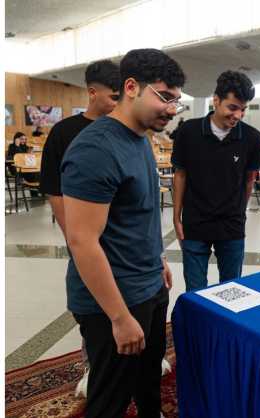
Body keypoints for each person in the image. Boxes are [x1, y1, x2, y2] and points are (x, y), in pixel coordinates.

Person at [61, 48, 184, 418]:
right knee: (110, 397)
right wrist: (118, 318)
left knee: (148, 378)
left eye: (176, 101)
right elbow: (82, 240)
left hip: (147, 285)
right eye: (164, 97)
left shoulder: (141, 138)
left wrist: (157, 258)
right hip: (112, 300)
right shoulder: (95, 149)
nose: (170, 109)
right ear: (131, 87)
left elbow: (138, 213)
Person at [39, 59, 120, 398]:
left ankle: (130, 361)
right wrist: (74, 235)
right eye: (114, 96)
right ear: (92, 93)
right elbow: (54, 189)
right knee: (91, 302)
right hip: (86, 237)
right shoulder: (65, 132)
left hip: (122, 238)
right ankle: (92, 364)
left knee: (125, 299)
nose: (119, 103)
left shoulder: (124, 130)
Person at [171, 70, 260, 292]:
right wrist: (176, 217)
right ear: (216, 100)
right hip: (195, 223)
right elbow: (180, 175)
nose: (238, 115)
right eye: (232, 107)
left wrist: (239, 213)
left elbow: (249, 181)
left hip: (231, 226)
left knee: (231, 291)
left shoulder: (252, 138)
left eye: (243, 109)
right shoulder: (188, 132)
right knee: (195, 292)